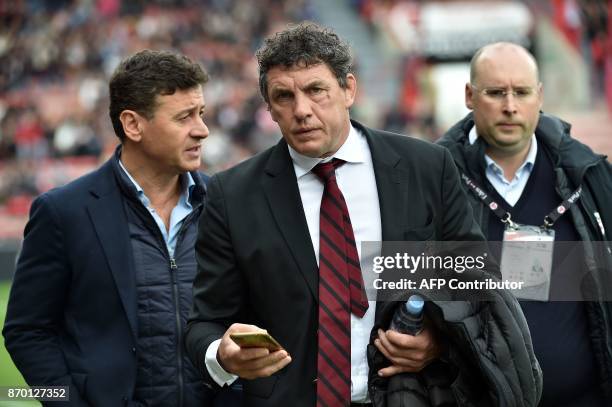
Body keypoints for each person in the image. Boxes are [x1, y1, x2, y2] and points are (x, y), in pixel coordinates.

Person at [185, 23, 541, 406]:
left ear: (348, 89)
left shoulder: (426, 167)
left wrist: (439, 341)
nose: (301, 110)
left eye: (315, 90)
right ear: (269, 108)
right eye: (284, 96)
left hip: (411, 396)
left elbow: (476, 282)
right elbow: (205, 323)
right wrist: (221, 354)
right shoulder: (234, 194)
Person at [3, 50, 228, 406]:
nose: (202, 130)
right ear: (133, 124)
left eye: (200, 114)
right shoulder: (64, 212)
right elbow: (26, 331)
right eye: (184, 117)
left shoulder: (226, 202)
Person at [438, 42, 612, 406]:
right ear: (470, 96)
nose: (510, 106)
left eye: (521, 92)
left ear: (540, 96)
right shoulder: (432, 181)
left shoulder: (590, 175)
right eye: (496, 92)